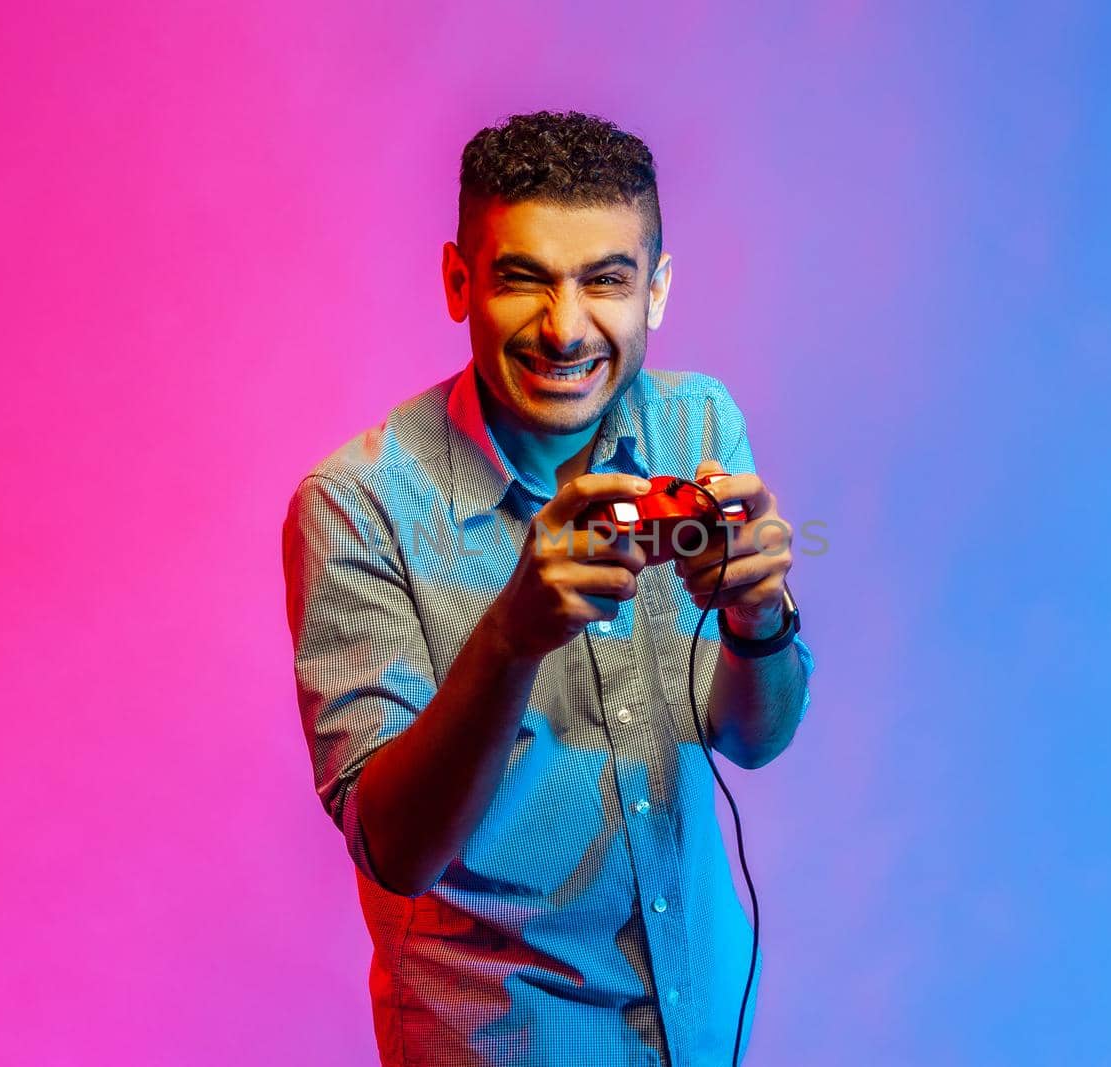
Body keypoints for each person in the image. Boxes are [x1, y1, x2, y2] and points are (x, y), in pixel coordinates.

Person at [282, 110, 815, 1067]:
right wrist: (513, 635)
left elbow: (753, 735)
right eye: (523, 278)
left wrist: (758, 619)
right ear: (459, 283)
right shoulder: (356, 504)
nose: (565, 327)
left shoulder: (698, 422)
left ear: (655, 291)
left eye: (605, 279)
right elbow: (393, 848)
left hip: (704, 1024)